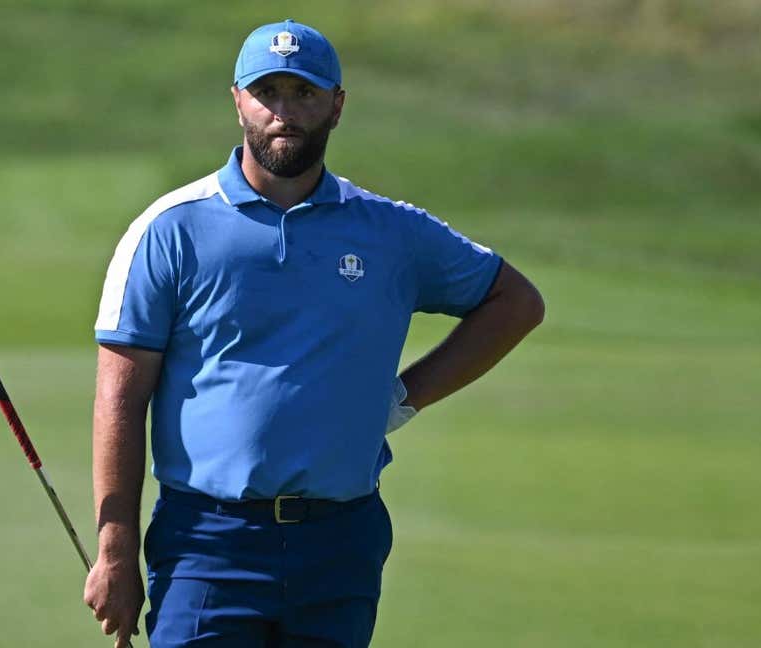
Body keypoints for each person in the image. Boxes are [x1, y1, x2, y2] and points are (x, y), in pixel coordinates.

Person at [84, 18, 544, 648]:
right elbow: (120, 396)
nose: (284, 111)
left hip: (340, 541)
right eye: (266, 92)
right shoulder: (171, 229)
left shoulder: (390, 231)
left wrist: (405, 398)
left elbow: (514, 301)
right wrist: (115, 554)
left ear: (337, 105)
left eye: (303, 93)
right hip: (207, 543)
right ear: (238, 100)